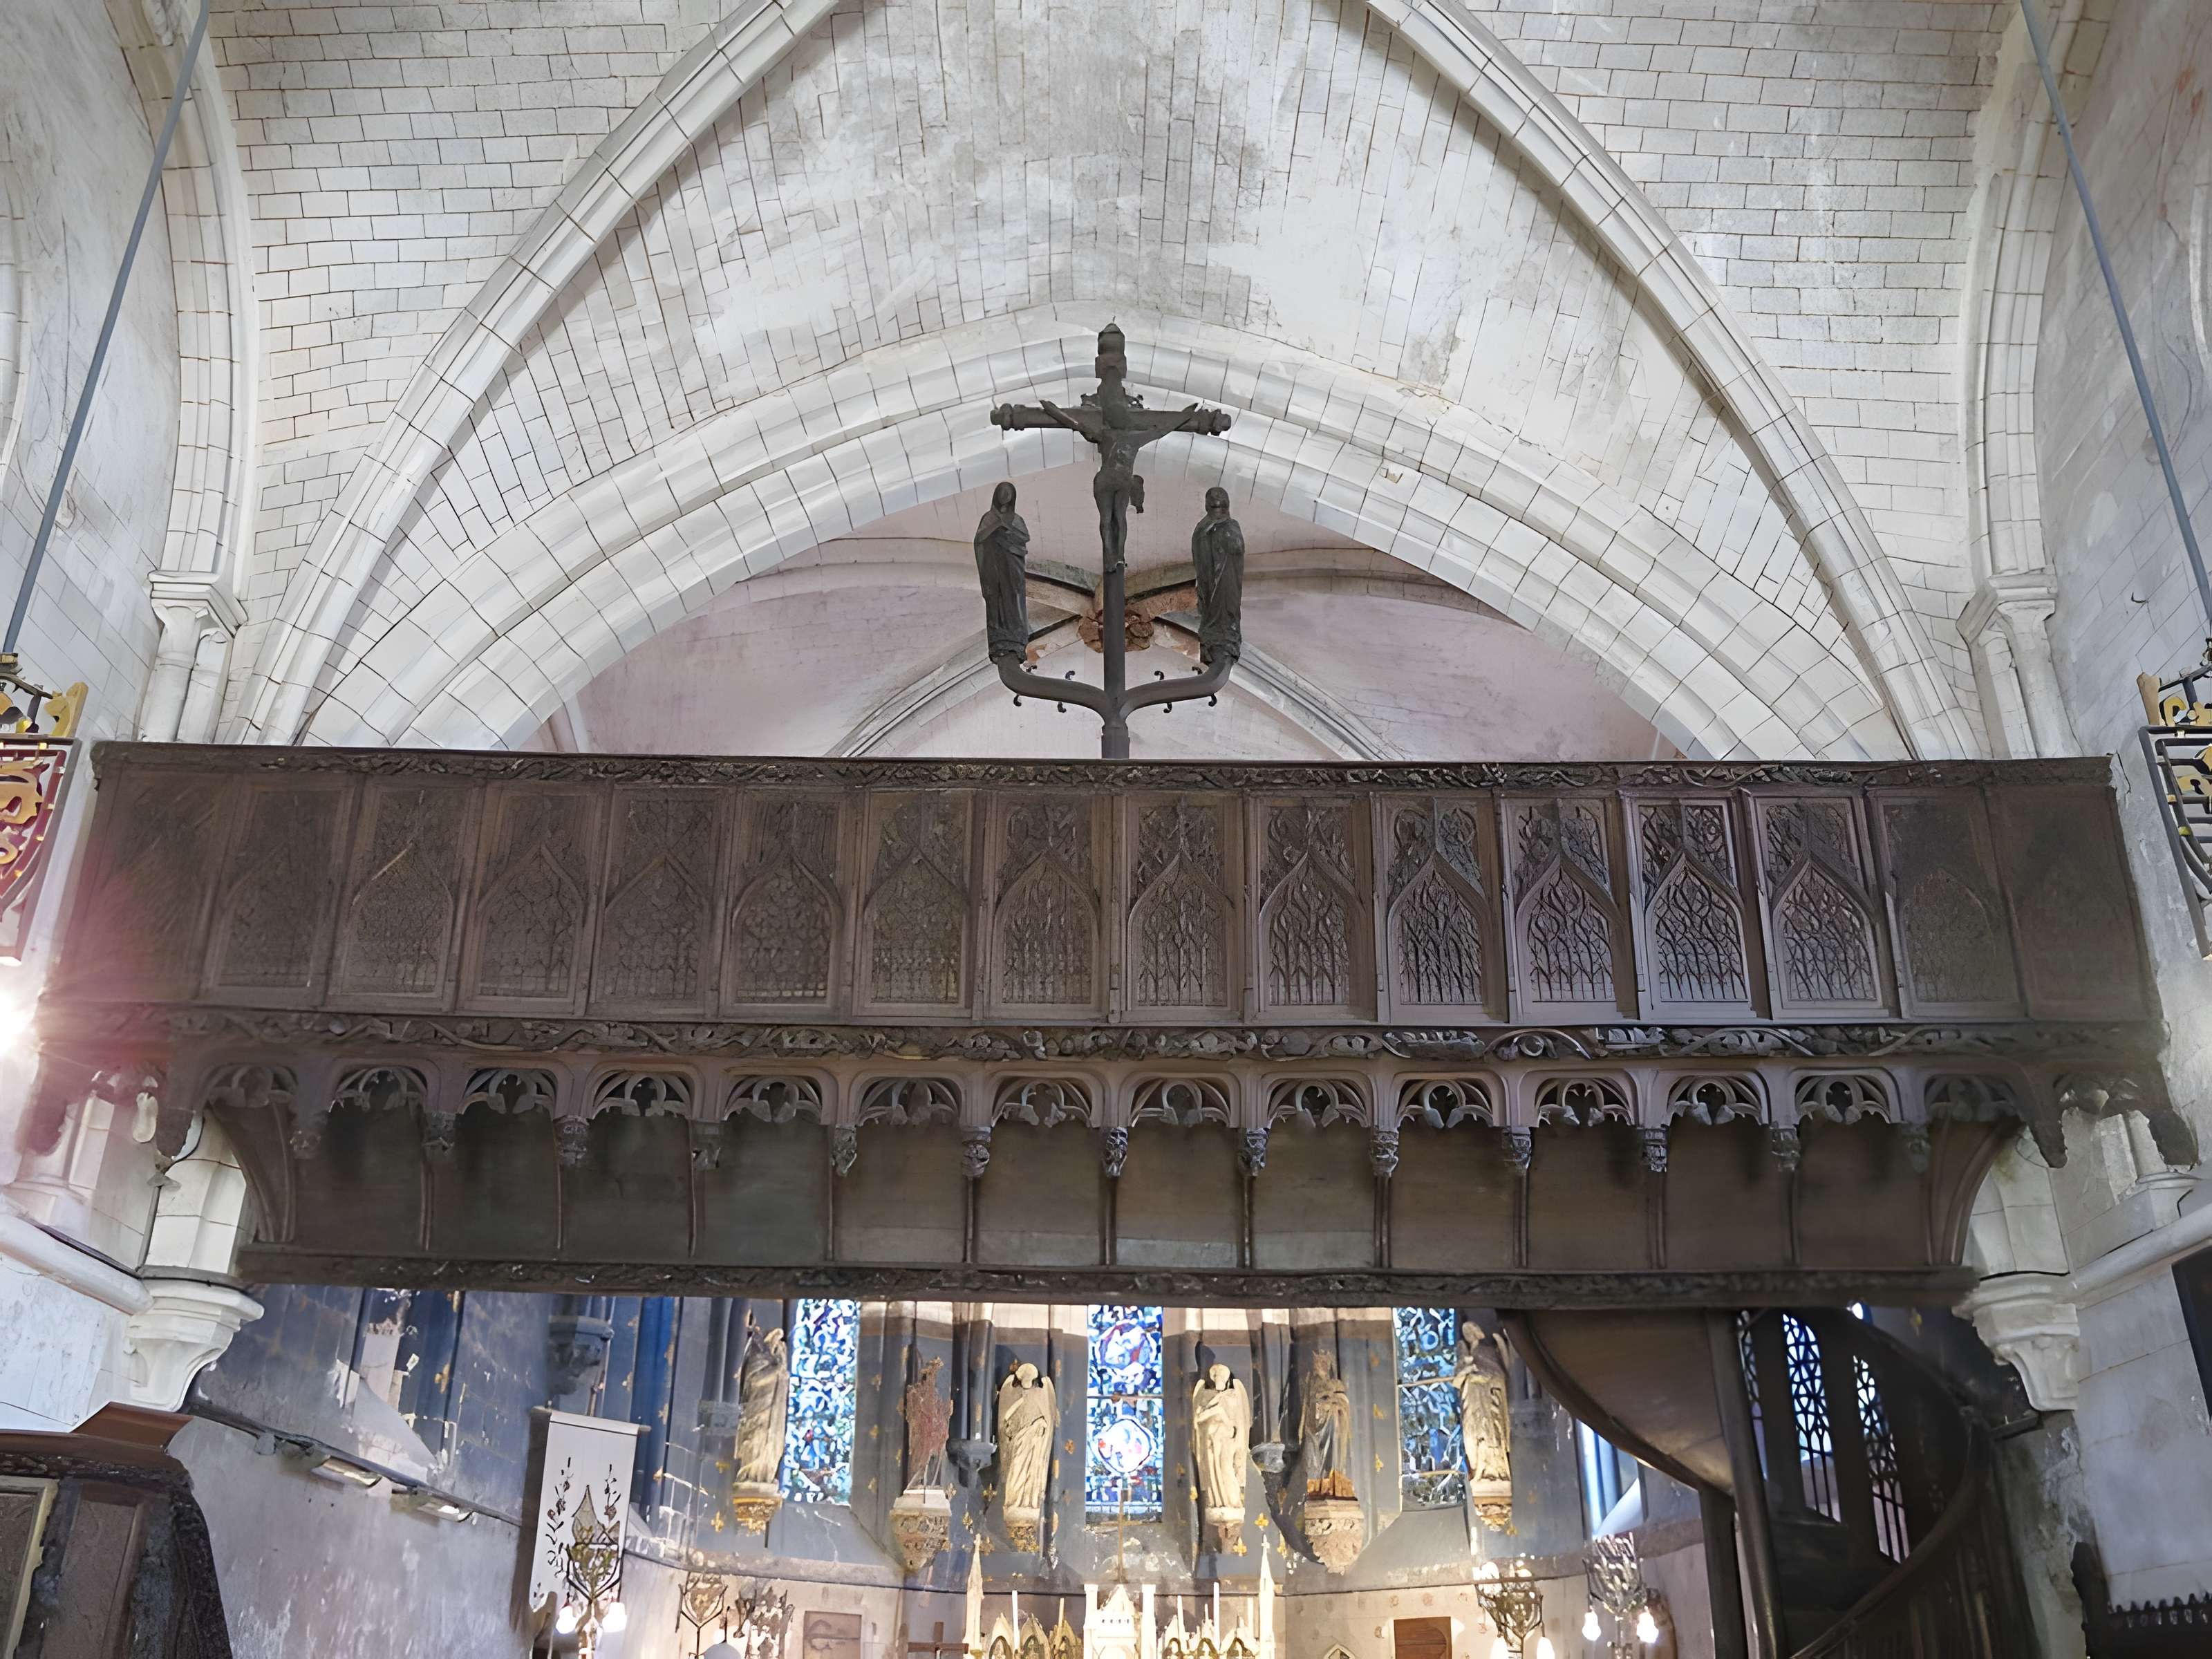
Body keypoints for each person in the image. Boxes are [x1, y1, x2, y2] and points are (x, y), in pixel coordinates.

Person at [974, 481, 1031, 661]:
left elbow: (1024, 537)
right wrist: (995, 527)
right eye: (1002, 492)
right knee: (996, 597)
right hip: (994, 565)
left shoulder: (1016, 519)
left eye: (1008, 493)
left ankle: (1016, 630)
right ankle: (999, 632)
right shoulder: (989, 517)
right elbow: (980, 539)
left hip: (1012, 564)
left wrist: (1007, 529)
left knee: (1014, 595)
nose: (1005, 496)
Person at [1191, 487, 1245, 665]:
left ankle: (1219, 637)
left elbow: (1236, 548)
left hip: (1227, 579)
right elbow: (1202, 559)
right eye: (1216, 508)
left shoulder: (1224, 526)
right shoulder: (1205, 529)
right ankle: (1217, 638)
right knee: (1216, 606)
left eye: (1221, 508)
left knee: (1224, 605)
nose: (1219, 512)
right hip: (1213, 582)